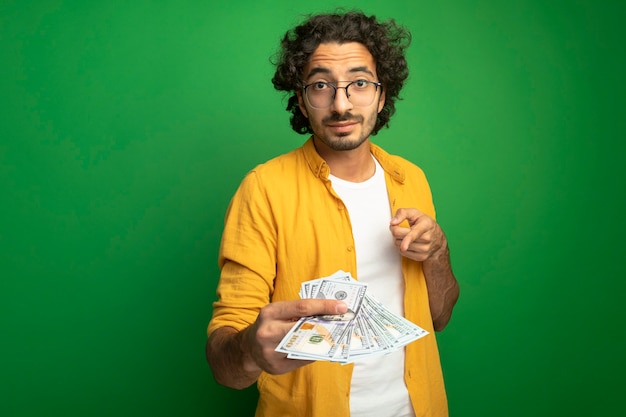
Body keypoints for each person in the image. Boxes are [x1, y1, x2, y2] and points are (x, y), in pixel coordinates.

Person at [206, 10, 460, 417]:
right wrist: (252, 348)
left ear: (381, 94)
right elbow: (225, 368)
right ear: (303, 101)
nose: (341, 104)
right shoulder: (263, 189)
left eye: (359, 83)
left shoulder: (410, 180)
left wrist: (437, 253)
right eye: (321, 85)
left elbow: (438, 318)